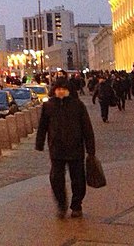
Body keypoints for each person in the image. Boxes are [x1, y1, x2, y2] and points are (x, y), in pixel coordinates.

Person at [35, 76, 96, 219]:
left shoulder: (78, 105)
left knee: (78, 179)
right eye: (58, 89)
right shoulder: (49, 106)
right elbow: (43, 126)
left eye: (63, 89)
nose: (61, 92)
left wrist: (90, 149)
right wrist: (40, 143)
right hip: (56, 149)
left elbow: (87, 128)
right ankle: (61, 204)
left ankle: (76, 205)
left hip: (75, 148)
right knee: (56, 179)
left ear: (68, 90)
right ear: (54, 91)